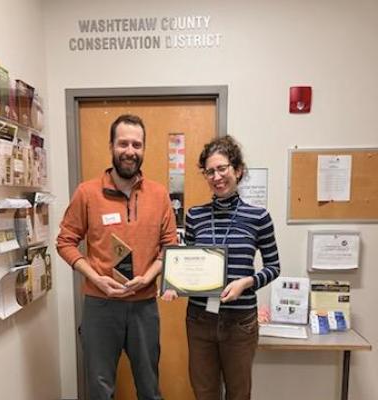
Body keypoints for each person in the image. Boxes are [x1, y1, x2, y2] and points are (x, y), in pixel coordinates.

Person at [56, 114, 177, 400]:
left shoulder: (159, 195)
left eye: (137, 144)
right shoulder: (87, 193)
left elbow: (170, 245)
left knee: (149, 387)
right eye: (123, 143)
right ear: (111, 145)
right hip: (100, 306)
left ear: (144, 149)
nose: (130, 151)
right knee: (99, 389)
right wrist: (95, 277)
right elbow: (65, 241)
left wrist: (148, 276)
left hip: (144, 306)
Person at [163, 135, 280, 400]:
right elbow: (189, 263)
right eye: (209, 171)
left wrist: (246, 282)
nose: (216, 177)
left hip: (240, 323)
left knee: (238, 394)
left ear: (237, 170)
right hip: (200, 319)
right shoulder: (195, 216)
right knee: (204, 392)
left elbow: (273, 266)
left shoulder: (258, 217)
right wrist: (175, 286)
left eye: (222, 168)